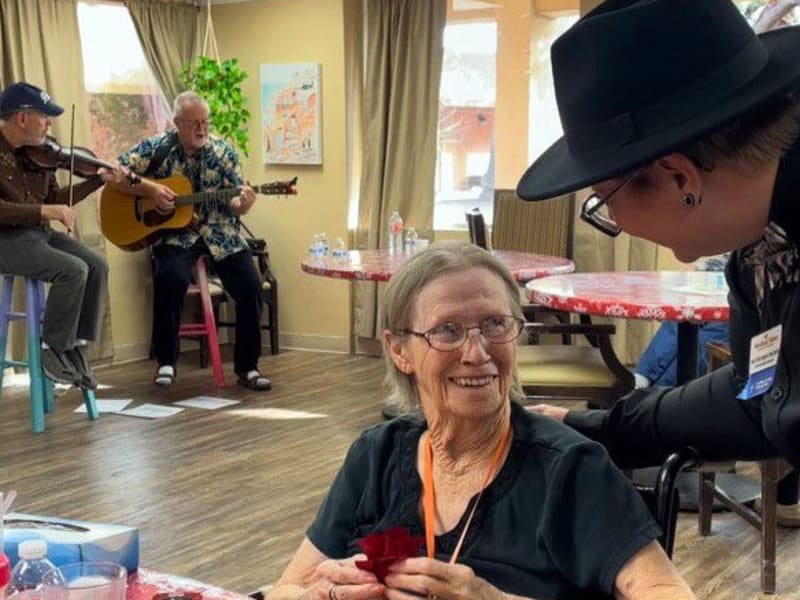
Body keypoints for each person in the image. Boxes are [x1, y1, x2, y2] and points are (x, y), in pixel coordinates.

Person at [268, 241, 695, 600]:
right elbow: (287, 587)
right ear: (399, 350)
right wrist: (323, 593)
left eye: (495, 325)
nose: (477, 353)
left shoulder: (570, 470)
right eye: (448, 330)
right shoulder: (375, 456)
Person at [515, 0, 800, 526]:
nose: (614, 220)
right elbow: (753, 395)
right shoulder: (758, 250)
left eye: (606, 199)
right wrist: (597, 427)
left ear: (678, 178)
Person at [107, 91, 270, 390]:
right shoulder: (157, 147)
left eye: (205, 122)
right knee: (168, 278)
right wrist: (151, 190)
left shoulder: (223, 153)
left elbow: (235, 201)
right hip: (176, 233)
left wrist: (243, 204)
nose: (201, 129)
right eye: (193, 123)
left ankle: (248, 368)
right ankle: (166, 362)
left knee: (250, 286)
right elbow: (112, 173)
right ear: (177, 123)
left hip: (220, 231)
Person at [0, 81, 126, 389]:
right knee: (73, 269)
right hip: (6, 241)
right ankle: (52, 350)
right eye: (45, 116)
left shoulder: (40, 153)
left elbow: (57, 198)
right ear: (22, 118)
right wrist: (43, 212)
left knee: (96, 264)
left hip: (37, 235)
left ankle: (75, 346)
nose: (49, 123)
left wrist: (99, 180)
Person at [634, 254, 731, 388]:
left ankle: (649, 390)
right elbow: (726, 260)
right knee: (681, 314)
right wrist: (699, 274)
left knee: (704, 334)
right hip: (723, 295)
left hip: (747, 315)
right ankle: (643, 382)